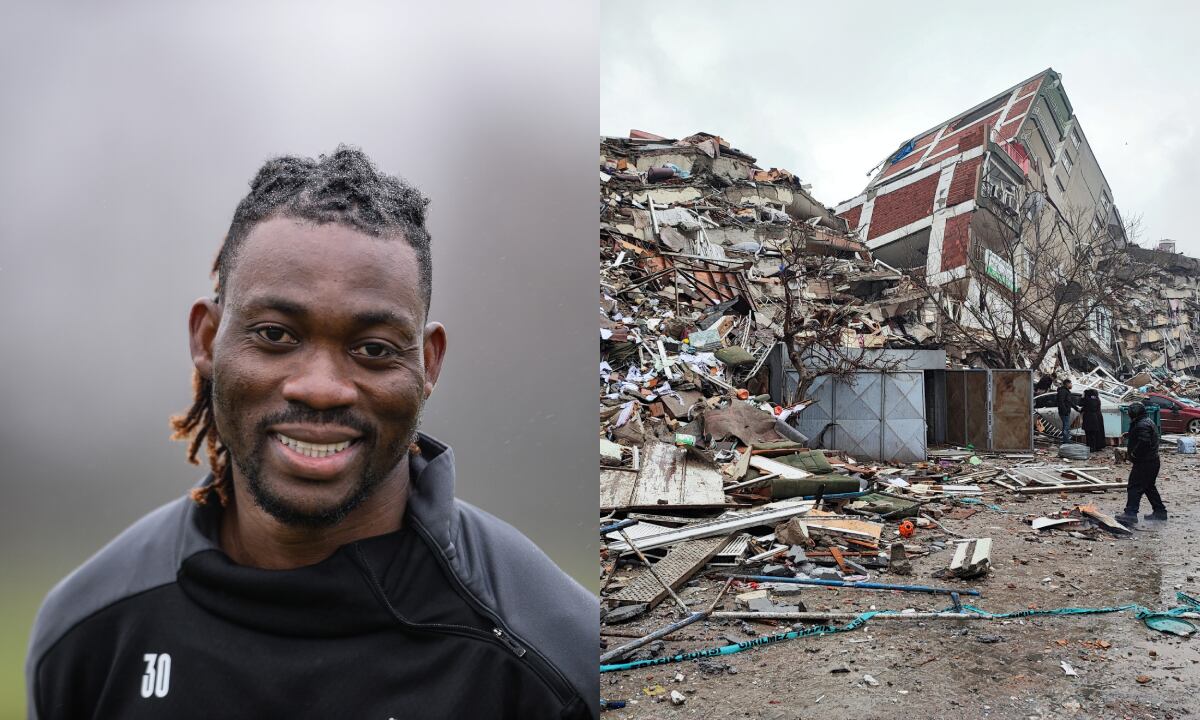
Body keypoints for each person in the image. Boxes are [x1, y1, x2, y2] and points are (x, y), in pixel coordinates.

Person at [26, 148, 597, 719]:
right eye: (275, 335)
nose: (322, 388)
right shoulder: (88, 634)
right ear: (207, 339)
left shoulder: (557, 657)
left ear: (428, 363)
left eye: (373, 349)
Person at [1116, 401, 1167, 526]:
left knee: (1134, 487)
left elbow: (1144, 441)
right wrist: (1130, 435)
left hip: (1145, 462)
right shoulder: (1145, 421)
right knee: (1149, 487)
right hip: (1152, 461)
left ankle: (1130, 514)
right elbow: (1144, 436)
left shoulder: (1141, 425)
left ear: (1134, 413)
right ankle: (1160, 512)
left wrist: (1134, 454)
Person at [1056, 378, 1081, 444]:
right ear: (1067, 384)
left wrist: (1077, 408)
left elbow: (1069, 402)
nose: (1071, 385)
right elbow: (1061, 402)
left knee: (1065, 425)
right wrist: (1065, 411)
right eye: (1070, 383)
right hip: (1064, 412)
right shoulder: (1063, 391)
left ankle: (1065, 439)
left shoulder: (1066, 391)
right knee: (1066, 426)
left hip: (1065, 411)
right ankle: (1066, 440)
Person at [1081, 388, 1106, 452]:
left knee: (1090, 434)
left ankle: (1091, 447)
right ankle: (1097, 446)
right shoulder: (1097, 399)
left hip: (1090, 418)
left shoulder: (1088, 400)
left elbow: (1081, 404)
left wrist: (1083, 397)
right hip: (1098, 417)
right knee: (1097, 433)